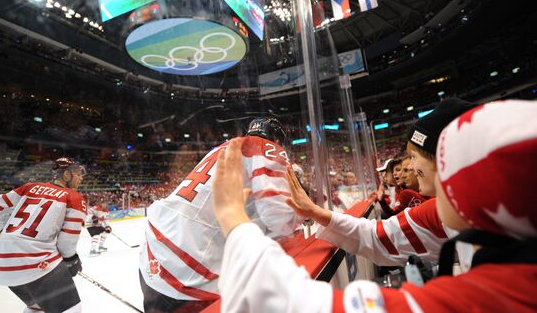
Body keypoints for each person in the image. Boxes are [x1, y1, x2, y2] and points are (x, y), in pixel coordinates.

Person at [212, 100, 537, 312]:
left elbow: (293, 306)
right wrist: (317, 213)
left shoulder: (506, 295)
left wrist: (234, 221)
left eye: (420, 158)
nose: (409, 167)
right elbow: (383, 236)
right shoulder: (461, 222)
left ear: (469, 188)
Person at [138, 117, 301, 312]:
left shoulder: (223, 147)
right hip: (189, 266)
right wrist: (302, 212)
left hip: (154, 249)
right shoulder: (266, 148)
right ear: (276, 139)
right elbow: (278, 218)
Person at [0, 157, 87, 313]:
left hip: (6, 267)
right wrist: (71, 260)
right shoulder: (74, 198)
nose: (81, 177)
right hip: (38, 263)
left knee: (36, 308)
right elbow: (66, 242)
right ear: (66, 175)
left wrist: (3, 227)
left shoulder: (28, 187)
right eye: (78, 173)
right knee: (72, 309)